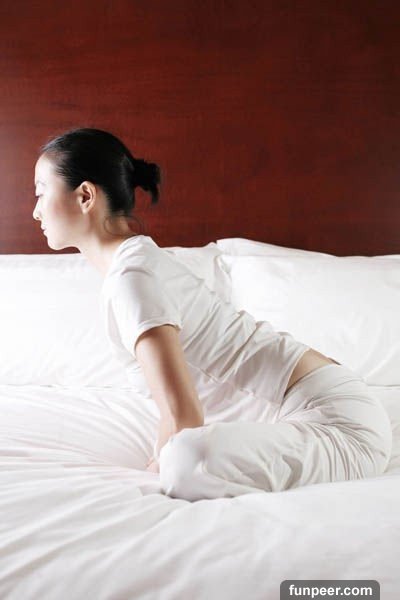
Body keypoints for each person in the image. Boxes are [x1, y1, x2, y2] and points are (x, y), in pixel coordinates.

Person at [32, 127, 393, 501]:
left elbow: (183, 417)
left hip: (341, 425)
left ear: (85, 196)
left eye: (41, 192)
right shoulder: (134, 266)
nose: (36, 211)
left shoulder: (132, 276)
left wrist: (156, 476)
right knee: (180, 459)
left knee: (184, 462)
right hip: (322, 410)